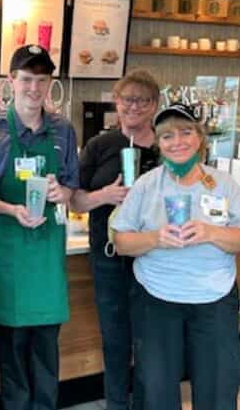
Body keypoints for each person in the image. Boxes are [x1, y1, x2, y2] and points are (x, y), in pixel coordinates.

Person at [111, 104, 240, 410]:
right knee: (156, 389)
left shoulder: (223, 184)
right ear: (158, 143)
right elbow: (121, 242)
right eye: (167, 136)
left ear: (200, 137)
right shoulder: (146, 185)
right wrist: (155, 238)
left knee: (218, 388)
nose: (177, 141)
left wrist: (210, 232)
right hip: (156, 299)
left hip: (214, 298)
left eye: (185, 132)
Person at [0, 45, 79, 410]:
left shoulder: (63, 129)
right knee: (12, 352)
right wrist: (11, 209)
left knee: (46, 350)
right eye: (26, 79)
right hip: (8, 251)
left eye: (41, 80)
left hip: (47, 253)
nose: (34, 89)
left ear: (50, 83)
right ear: (11, 80)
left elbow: (71, 188)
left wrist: (62, 191)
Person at [69, 70, 161, 410]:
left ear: (154, 105)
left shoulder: (167, 146)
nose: (134, 107)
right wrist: (104, 195)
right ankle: (117, 403)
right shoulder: (99, 145)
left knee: (150, 338)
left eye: (143, 100)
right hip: (108, 256)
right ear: (116, 102)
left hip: (154, 256)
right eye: (127, 99)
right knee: (115, 336)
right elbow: (74, 200)